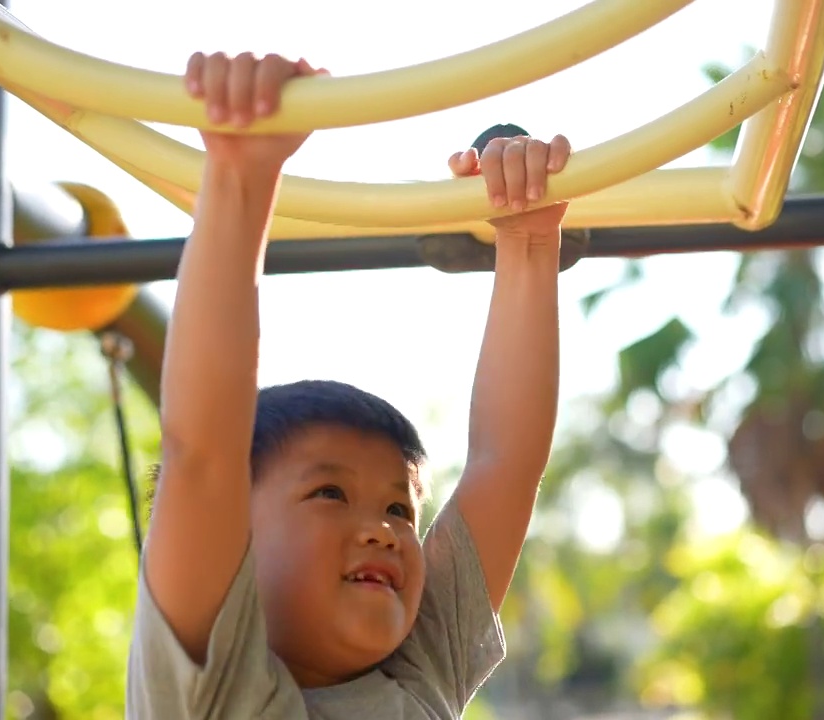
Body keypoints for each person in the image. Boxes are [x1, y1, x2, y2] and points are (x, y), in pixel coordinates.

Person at [126, 51, 570, 719]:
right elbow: (203, 455)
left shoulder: (419, 674)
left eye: (399, 510)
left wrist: (530, 246)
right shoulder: (210, 695)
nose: (385, 531)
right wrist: (239, 178)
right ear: (233, 541)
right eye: (329, 492)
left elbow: (504, 465)